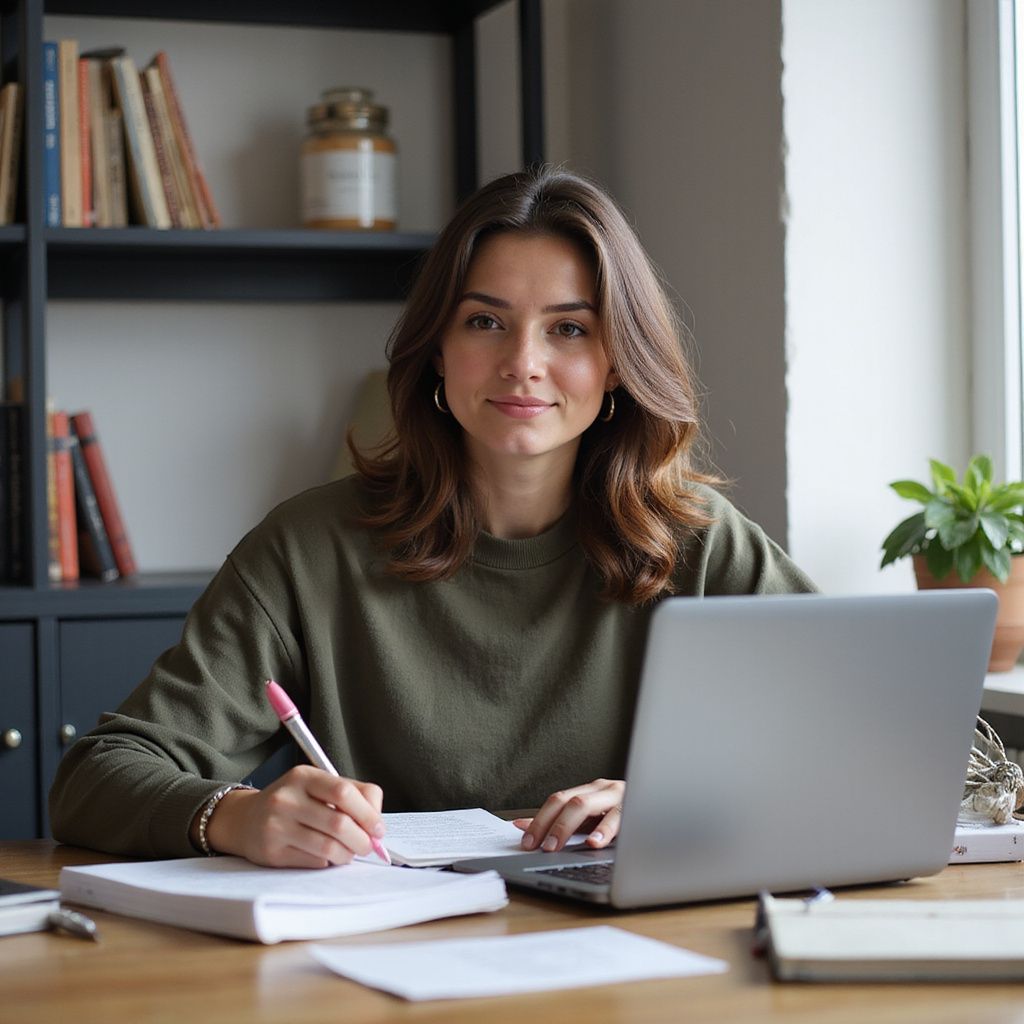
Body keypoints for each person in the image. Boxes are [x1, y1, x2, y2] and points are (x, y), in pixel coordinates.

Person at [49, 166, 815, 867]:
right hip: (396, 956)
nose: (523, 361)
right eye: (485, 321)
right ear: (437, 349)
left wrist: (679, 803)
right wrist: (233, 815)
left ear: (618, 361)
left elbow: (874, 743)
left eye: (569, 328)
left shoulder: (700, 542)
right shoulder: (310, 549)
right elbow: (94, 781)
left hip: (642, 954)